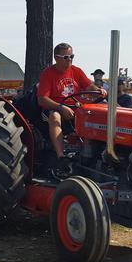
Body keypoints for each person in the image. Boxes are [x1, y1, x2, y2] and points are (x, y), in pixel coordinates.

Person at [37, 43, 107, 176]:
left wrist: (99, 91)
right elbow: (42, 99)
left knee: (101, 109)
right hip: (55, 108)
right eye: (66, 57)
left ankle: (101, 153)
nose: (70, 59)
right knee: (54, 117)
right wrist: (60, 107)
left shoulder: (76, 71)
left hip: (76, 107)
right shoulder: (48, 74)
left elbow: (88, 86)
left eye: (71, 56)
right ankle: (61, 157)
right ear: (57, 58)